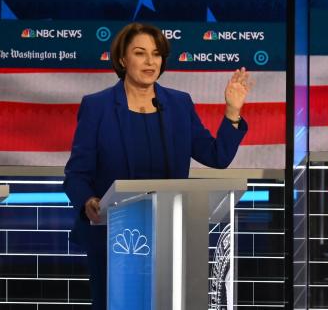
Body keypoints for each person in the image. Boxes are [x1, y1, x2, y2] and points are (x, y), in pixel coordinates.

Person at [63, 22, 252, 310]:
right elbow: (77, 173)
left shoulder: (178, 104)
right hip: (113, 236)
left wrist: (232, 111)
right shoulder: (97, 106)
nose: (151, 61)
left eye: (156, 54)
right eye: (140, 53)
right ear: (123, 59)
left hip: (171, 234)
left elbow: (217, 156)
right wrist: (88, 200)